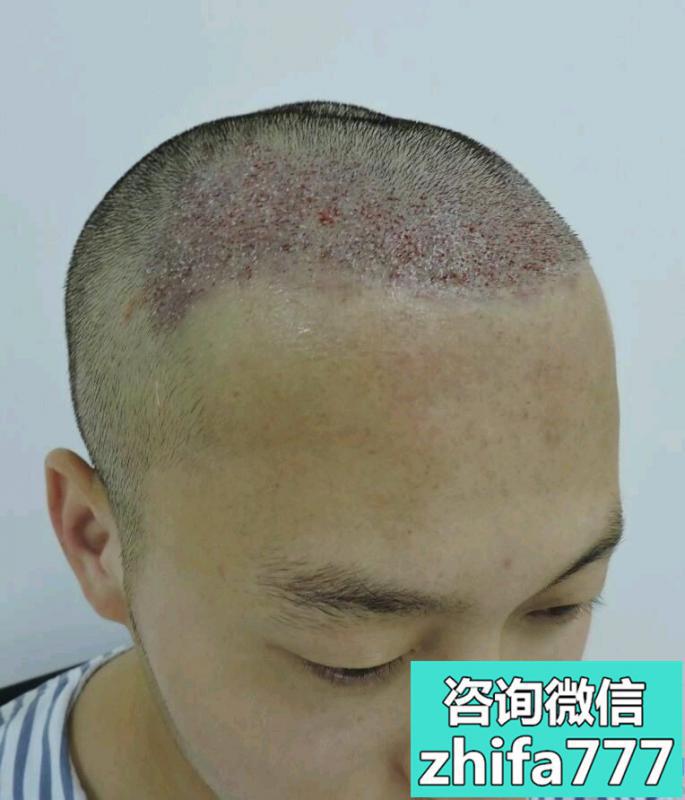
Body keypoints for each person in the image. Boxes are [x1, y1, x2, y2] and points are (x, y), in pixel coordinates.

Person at [1, 100, 636, 799]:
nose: (480, 754)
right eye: (357, 662)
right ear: (97, 543)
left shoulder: (611, 754)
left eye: (557, 608)